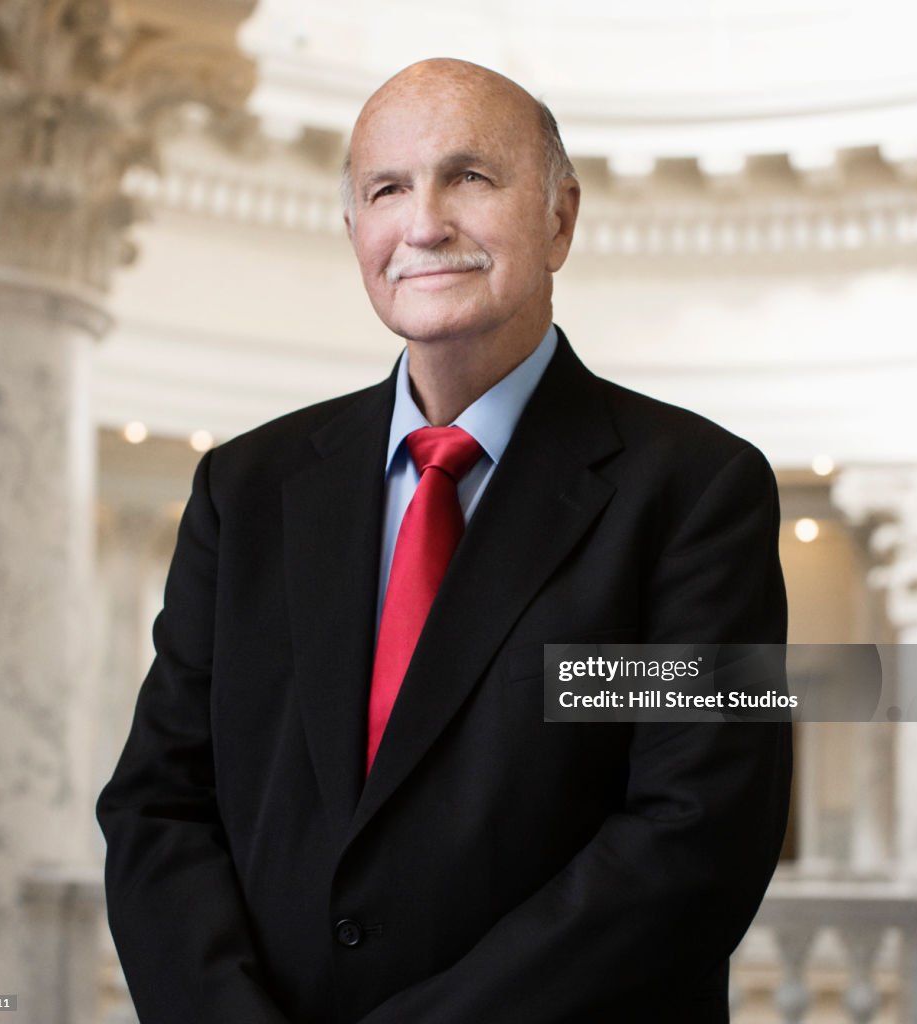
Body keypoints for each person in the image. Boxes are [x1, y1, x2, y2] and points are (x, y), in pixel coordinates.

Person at [97, 58, 791, 1024]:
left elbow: (693, 836)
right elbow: (158, 807)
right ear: (356, 236)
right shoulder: (245, 488)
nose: (424, 223)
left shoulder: (696, 491)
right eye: (387, 189)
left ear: (559, 219)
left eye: (469, 177)